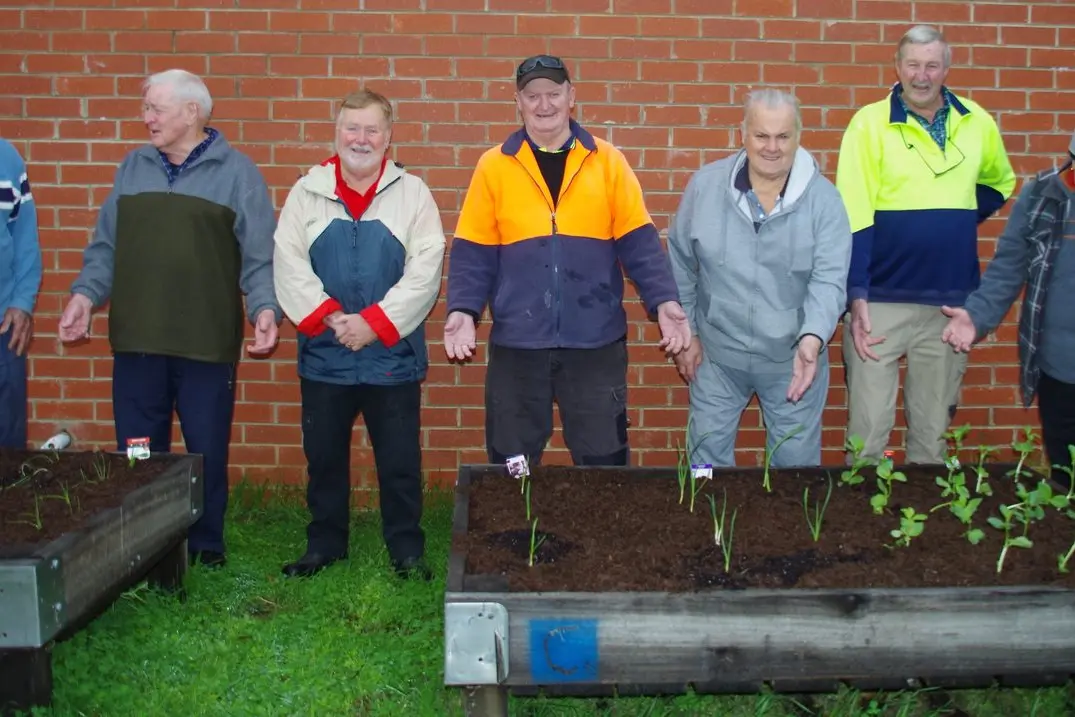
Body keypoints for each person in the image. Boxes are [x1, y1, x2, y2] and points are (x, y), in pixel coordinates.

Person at [57, 70, 281, 568]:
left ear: (192, 113)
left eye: (156, 108)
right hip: (137, 341)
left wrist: (265, 308)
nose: (147, 118)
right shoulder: (131, 168)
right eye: (146, 108)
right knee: (139, 452)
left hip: (205, 345)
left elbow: (260, 256)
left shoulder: (237, 173)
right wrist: (83, 295)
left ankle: (205, 547)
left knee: (205, 450)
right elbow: (105, 247)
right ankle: (144, 545)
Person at [443, 54, 690, 468]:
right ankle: (515, 534)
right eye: (532, 95)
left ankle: (603, 535)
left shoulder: (607, 161)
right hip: (518, 345)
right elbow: (473, 251)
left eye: (553, 94)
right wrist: (463, 310)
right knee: (511, 464)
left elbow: (640, 243)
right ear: (517, 101)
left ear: (571, 97)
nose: (544, 105)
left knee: (603, 462)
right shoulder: (494, 166)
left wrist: (664, 301)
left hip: (594, 343)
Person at [273, 90, 445, 580]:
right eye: (352, 128)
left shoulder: (414, 194)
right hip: (325, 353)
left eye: (372, 130)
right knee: (324, 461)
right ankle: (324, 545)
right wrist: (331, 318)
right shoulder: (307, 192)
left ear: (388, 138)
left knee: (399, 463)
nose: (361, 139)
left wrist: (373, 323)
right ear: (336, 131)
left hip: (390, 355)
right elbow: (288, 262)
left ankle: (406, 551)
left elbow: (426, 269)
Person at [836, 25, 1016, 464]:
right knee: (868, 436)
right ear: (897, 67)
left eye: (932, 65)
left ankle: (923, 531)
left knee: (931, 440)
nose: (922, 75)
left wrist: (954, 222)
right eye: (913, 64)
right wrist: (856, 294)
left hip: (949, 307)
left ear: (946, 68)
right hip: (880, 302)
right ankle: (861, 529)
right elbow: (853, 214)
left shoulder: (976, 122)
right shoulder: (869, 124)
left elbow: (1000, 181)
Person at [667, 89, 852, 467]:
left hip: (793, 361)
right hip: (717, 359)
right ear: (743, 134)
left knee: (794, 475)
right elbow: (680, 263)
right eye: (761, 135)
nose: (772, 147)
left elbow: (830, 280)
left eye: (783, 136)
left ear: (798, 136)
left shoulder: (825, 202)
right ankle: (711, 528)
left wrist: (813, 339)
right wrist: (688, 335)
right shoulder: (705, 187)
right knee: (705, 469)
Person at [941, 130, 1075, 489]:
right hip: (1060, 368)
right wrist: (976, 316)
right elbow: (1009, 267)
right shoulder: (1041, 197)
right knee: (1066, 480)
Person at [0, 139, 42, 449]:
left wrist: (22, 301)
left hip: (3, 327)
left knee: (8, 450)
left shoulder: (7, 158)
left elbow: (25, 237)